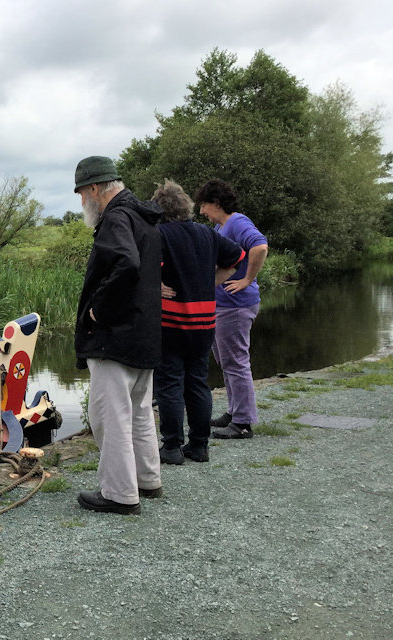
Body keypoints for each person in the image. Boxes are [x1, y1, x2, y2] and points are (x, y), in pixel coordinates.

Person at [72, 156, 164, 516]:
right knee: (140, 411)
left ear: (95, 189)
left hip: (116, 336)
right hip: (144, 333)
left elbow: (126, 263)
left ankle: (119, 494)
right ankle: (147, 479)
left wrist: (99, 309)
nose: (81, 202)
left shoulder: (116, 218)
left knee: (109, 416)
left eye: (81, 193)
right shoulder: (144, 217)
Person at [152, 180, 244, 465]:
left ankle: (171, 447)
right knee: (197, 383)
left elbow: (139, 270)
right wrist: (210, 281)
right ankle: (200, 446)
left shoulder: (159, 234)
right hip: (204, 322)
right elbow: (237, 259)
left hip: (171, 321)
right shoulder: (206, 233)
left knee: (169, 384)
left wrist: (155, 286)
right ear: (185, 206)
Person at [193, 180, 269, 439]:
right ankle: (234, 412)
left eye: (203, 204)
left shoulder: (237, 223)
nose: (201, 211)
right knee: (226, 361)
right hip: (223, 306)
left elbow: (259, 246)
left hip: (236, 306)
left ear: (216, 203)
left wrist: (247, 279)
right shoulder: (222, 225)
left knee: (236, 362)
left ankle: (243, 422)